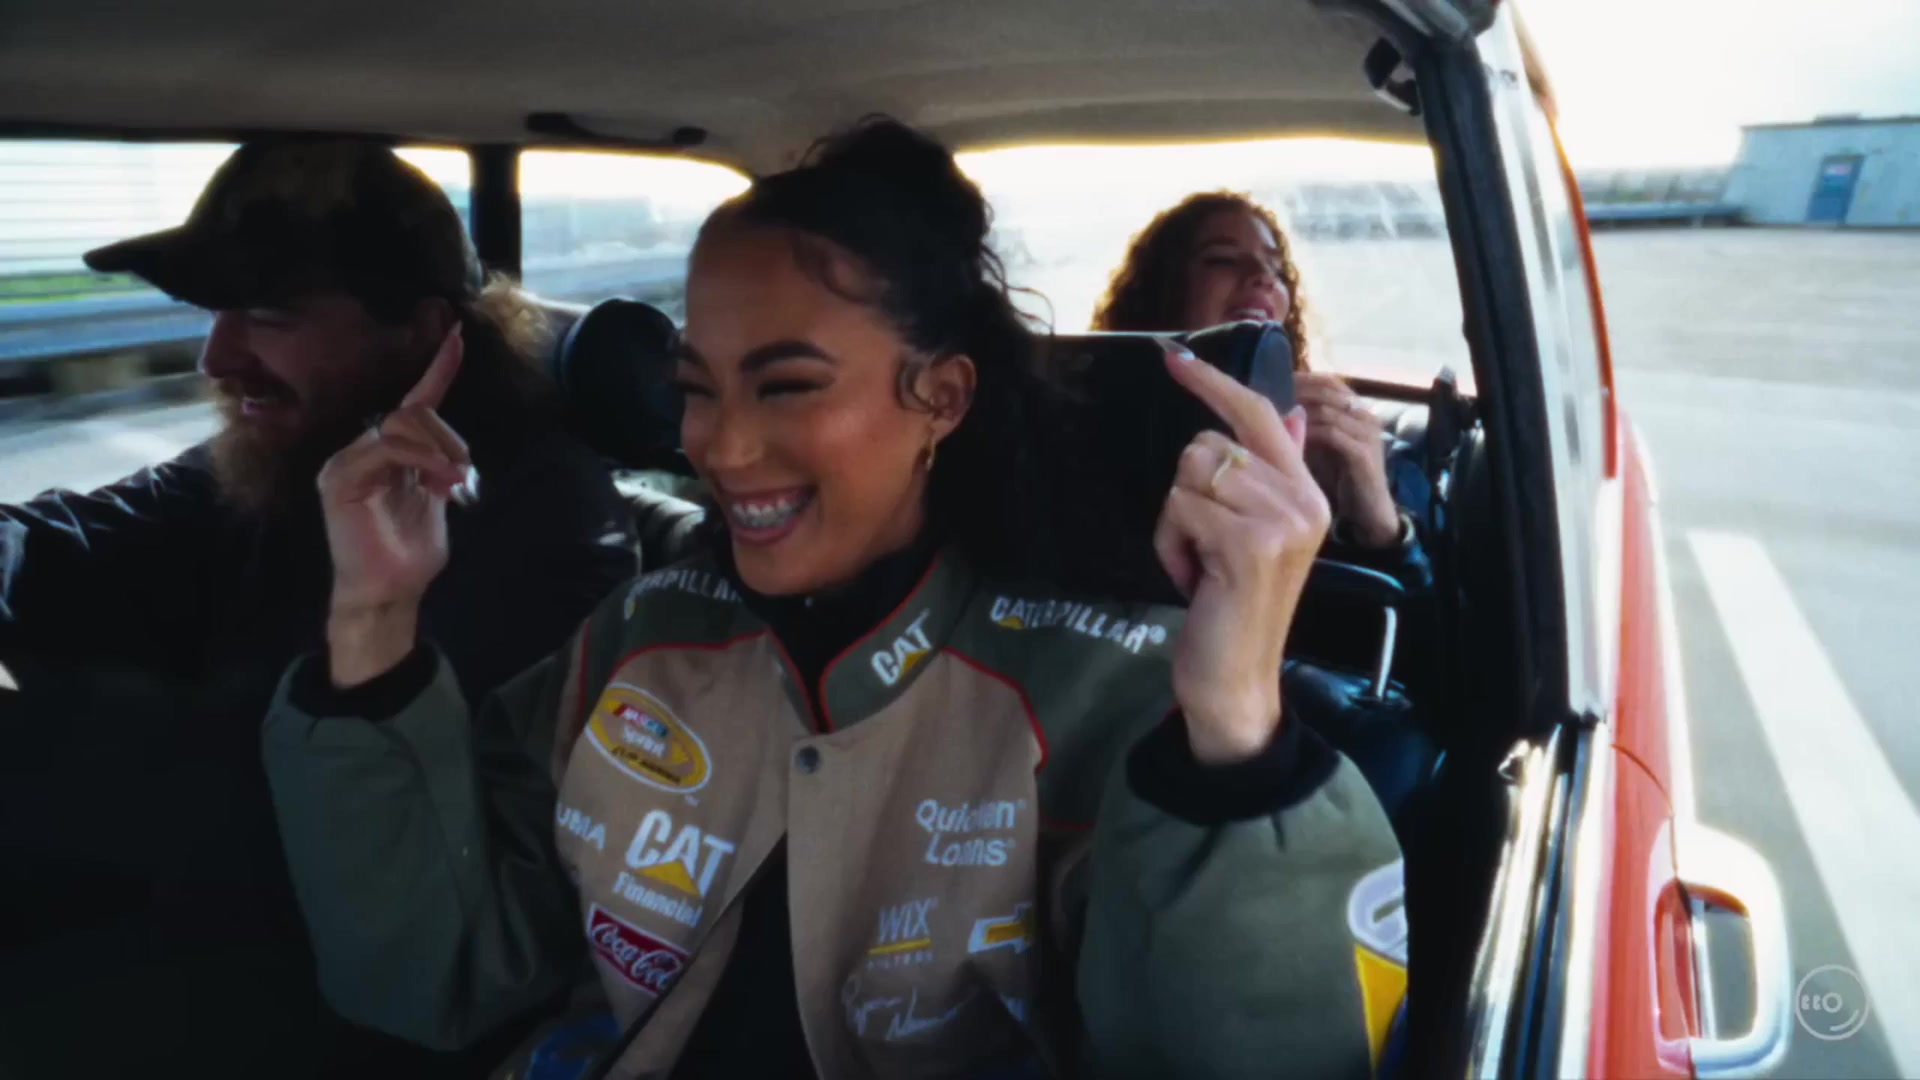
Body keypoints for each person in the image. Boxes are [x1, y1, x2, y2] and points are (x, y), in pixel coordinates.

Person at [261, 119, 1405, 1079]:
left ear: (941, 397)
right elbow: (437, 974)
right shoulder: (645, 634)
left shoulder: (1112, 692)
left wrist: (1236, 736)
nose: (720, 446)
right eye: (697, 389)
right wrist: (373, 618)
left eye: (788, 386)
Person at [0, 140, 636, 1077]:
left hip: (372, 992)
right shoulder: (295, 453)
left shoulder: (537, 521)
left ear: (422, 331)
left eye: (267, 315)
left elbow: (292, 796)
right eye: (215, 314)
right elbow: (84, 538)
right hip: (225, 909)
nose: (218, 356)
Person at [1093, 191, 1421, 560]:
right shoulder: (1094, 421)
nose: (1264, 277)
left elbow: (1422, 590)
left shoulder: (1328, 432)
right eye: (1223, 260)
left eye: (1277, 270)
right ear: (1161, 287)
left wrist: (1378, 523)